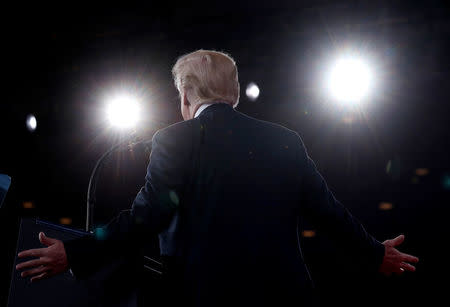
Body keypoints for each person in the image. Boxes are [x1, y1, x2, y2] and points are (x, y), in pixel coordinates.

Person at [16, 50, 419, 306]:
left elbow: (145, 218)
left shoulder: (174, 139)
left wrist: (74, 253)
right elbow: (329, 213)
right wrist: (376, 254)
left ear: (185, 96)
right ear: (236, 93)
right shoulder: (285, 141)